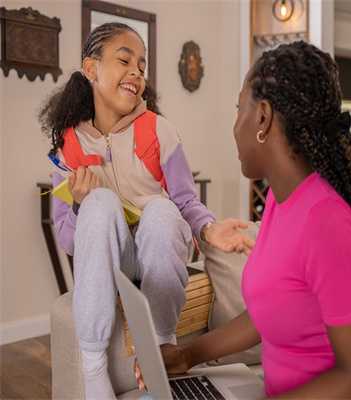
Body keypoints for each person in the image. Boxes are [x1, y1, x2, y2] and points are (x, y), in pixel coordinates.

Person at [161, 41, 351, 399]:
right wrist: (188, 355)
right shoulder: (281, 203)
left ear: (262, 117)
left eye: (239, 109)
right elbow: (268, 312)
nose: (235, 125)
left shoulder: (327, 223)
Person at [39, 22, 253, 400]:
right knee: (99, 201)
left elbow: (186, 201)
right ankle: (94, 367)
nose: (136, 72)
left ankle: (161, 343)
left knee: (160, 209)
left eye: (142, 65)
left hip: (159, 249)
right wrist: (79, 203)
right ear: (91, 69)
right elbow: (70, 241)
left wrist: (208, 230)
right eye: (125, 61)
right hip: (114, 259)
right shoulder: (69, 146)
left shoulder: (159, 131)